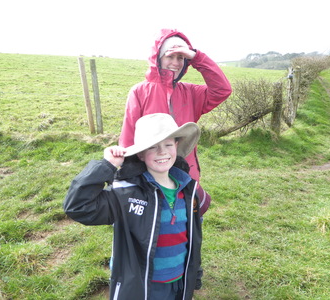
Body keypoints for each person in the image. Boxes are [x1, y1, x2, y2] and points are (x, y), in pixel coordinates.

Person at [64, 113, 202, 300]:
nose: (162, 152)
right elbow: (78, 206)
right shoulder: (126, 193)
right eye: (153, 147)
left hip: (179, 282)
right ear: (141, 154)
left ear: (176, 146)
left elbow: (193, 237)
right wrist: (106, 166)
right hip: (142, 286)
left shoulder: (188, 189)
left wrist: (194, 273)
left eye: (168, 144)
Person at [119, 28, 232, 216]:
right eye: (170, 56)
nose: (176, 63)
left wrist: (196, 57)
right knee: (155, 236)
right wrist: (128, 180)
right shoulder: (140, 92)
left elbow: (222, 90)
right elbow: (129, 139)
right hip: (150, 180)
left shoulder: (191, 93)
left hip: (186, 179)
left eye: (181, 58)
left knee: (189, 235)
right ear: (157, 57)